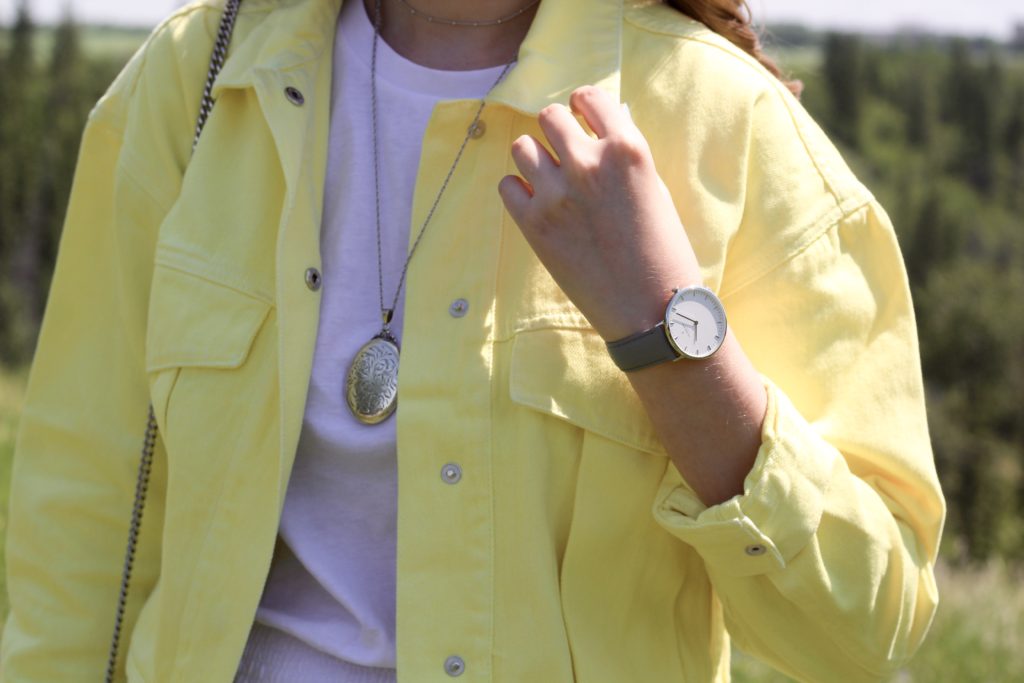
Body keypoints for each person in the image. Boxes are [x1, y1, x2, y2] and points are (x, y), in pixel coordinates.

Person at [1, 0, 945, 681]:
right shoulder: (192, 84)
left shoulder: (729, 127)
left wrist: (664, 325)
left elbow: (866, 630)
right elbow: (79, 523)